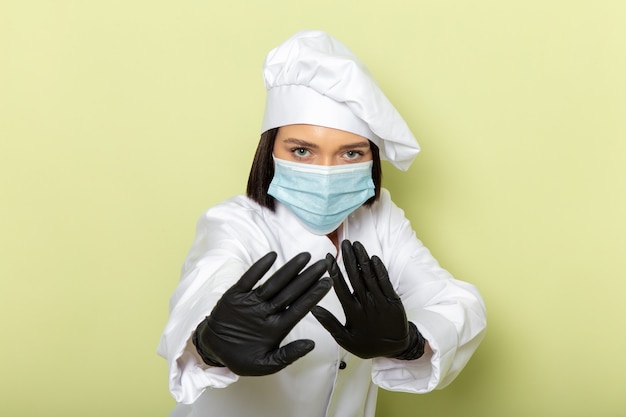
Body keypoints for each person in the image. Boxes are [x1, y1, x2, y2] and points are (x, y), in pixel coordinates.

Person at [158, 30, 487, 417]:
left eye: (350, 153)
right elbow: (203, 290)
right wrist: (209, 343)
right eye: (302, 150)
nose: (327, 173)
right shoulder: (236, 222)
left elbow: (458, 303)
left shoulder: (379, 218)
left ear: (371, 159)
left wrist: (411, 343)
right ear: (270, 150)